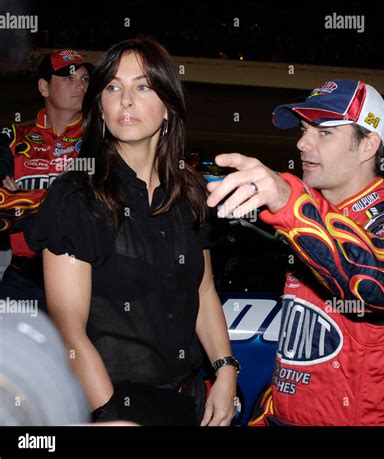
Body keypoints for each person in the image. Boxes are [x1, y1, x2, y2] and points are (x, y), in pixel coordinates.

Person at [24, 37, 237, 426]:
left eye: (142, 86)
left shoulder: (191, 192)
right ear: (100, 108)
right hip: (109, 401)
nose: (125, 99)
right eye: (112, 87)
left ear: (169, 107)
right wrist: (108, 414)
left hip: (187, 401)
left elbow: (203, 290)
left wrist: (225, 370)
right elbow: (69, 331)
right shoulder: (76, 197)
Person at [206, 79, 384, 426]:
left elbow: (376, 283)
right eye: (303, 129)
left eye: (324, 132)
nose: (301, 143)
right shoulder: (308, 219)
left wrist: (288, 201)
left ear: (368, 145)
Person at [0, 49, 94, 311]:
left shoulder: (100, 140)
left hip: (85, 276)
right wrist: (66, 196)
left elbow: (100, 205)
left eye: (85, 79)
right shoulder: (13, 137)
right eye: (69, 78)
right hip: (23, 279)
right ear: (44, 87)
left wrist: (20, 197)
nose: (81, 85)